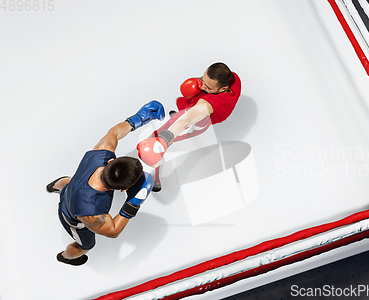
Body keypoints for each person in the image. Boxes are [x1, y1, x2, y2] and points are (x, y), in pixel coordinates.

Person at [46, 100, 165, 265]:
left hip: (72, 187)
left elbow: (115, 132)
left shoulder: (101, 154)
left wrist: (139, 118)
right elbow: (113, 231)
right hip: (70, 216)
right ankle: (66, 256)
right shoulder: (91, 211)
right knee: (86, 245)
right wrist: (134, 203)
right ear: (124, 189)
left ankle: (53, 186)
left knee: (69, 183)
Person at [137, 62, 242, 191]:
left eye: (208, 87)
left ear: (223, 89)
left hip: (193, 124)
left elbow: (187, 119)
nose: (202, 86)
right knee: (181, 100)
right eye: (203, 80)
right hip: (191, 107)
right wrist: (200, 81)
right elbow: (205, 85)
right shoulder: (233, 78)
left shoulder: (212, 105)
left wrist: (164, 139)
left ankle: (156, 180)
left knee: (154, 140)